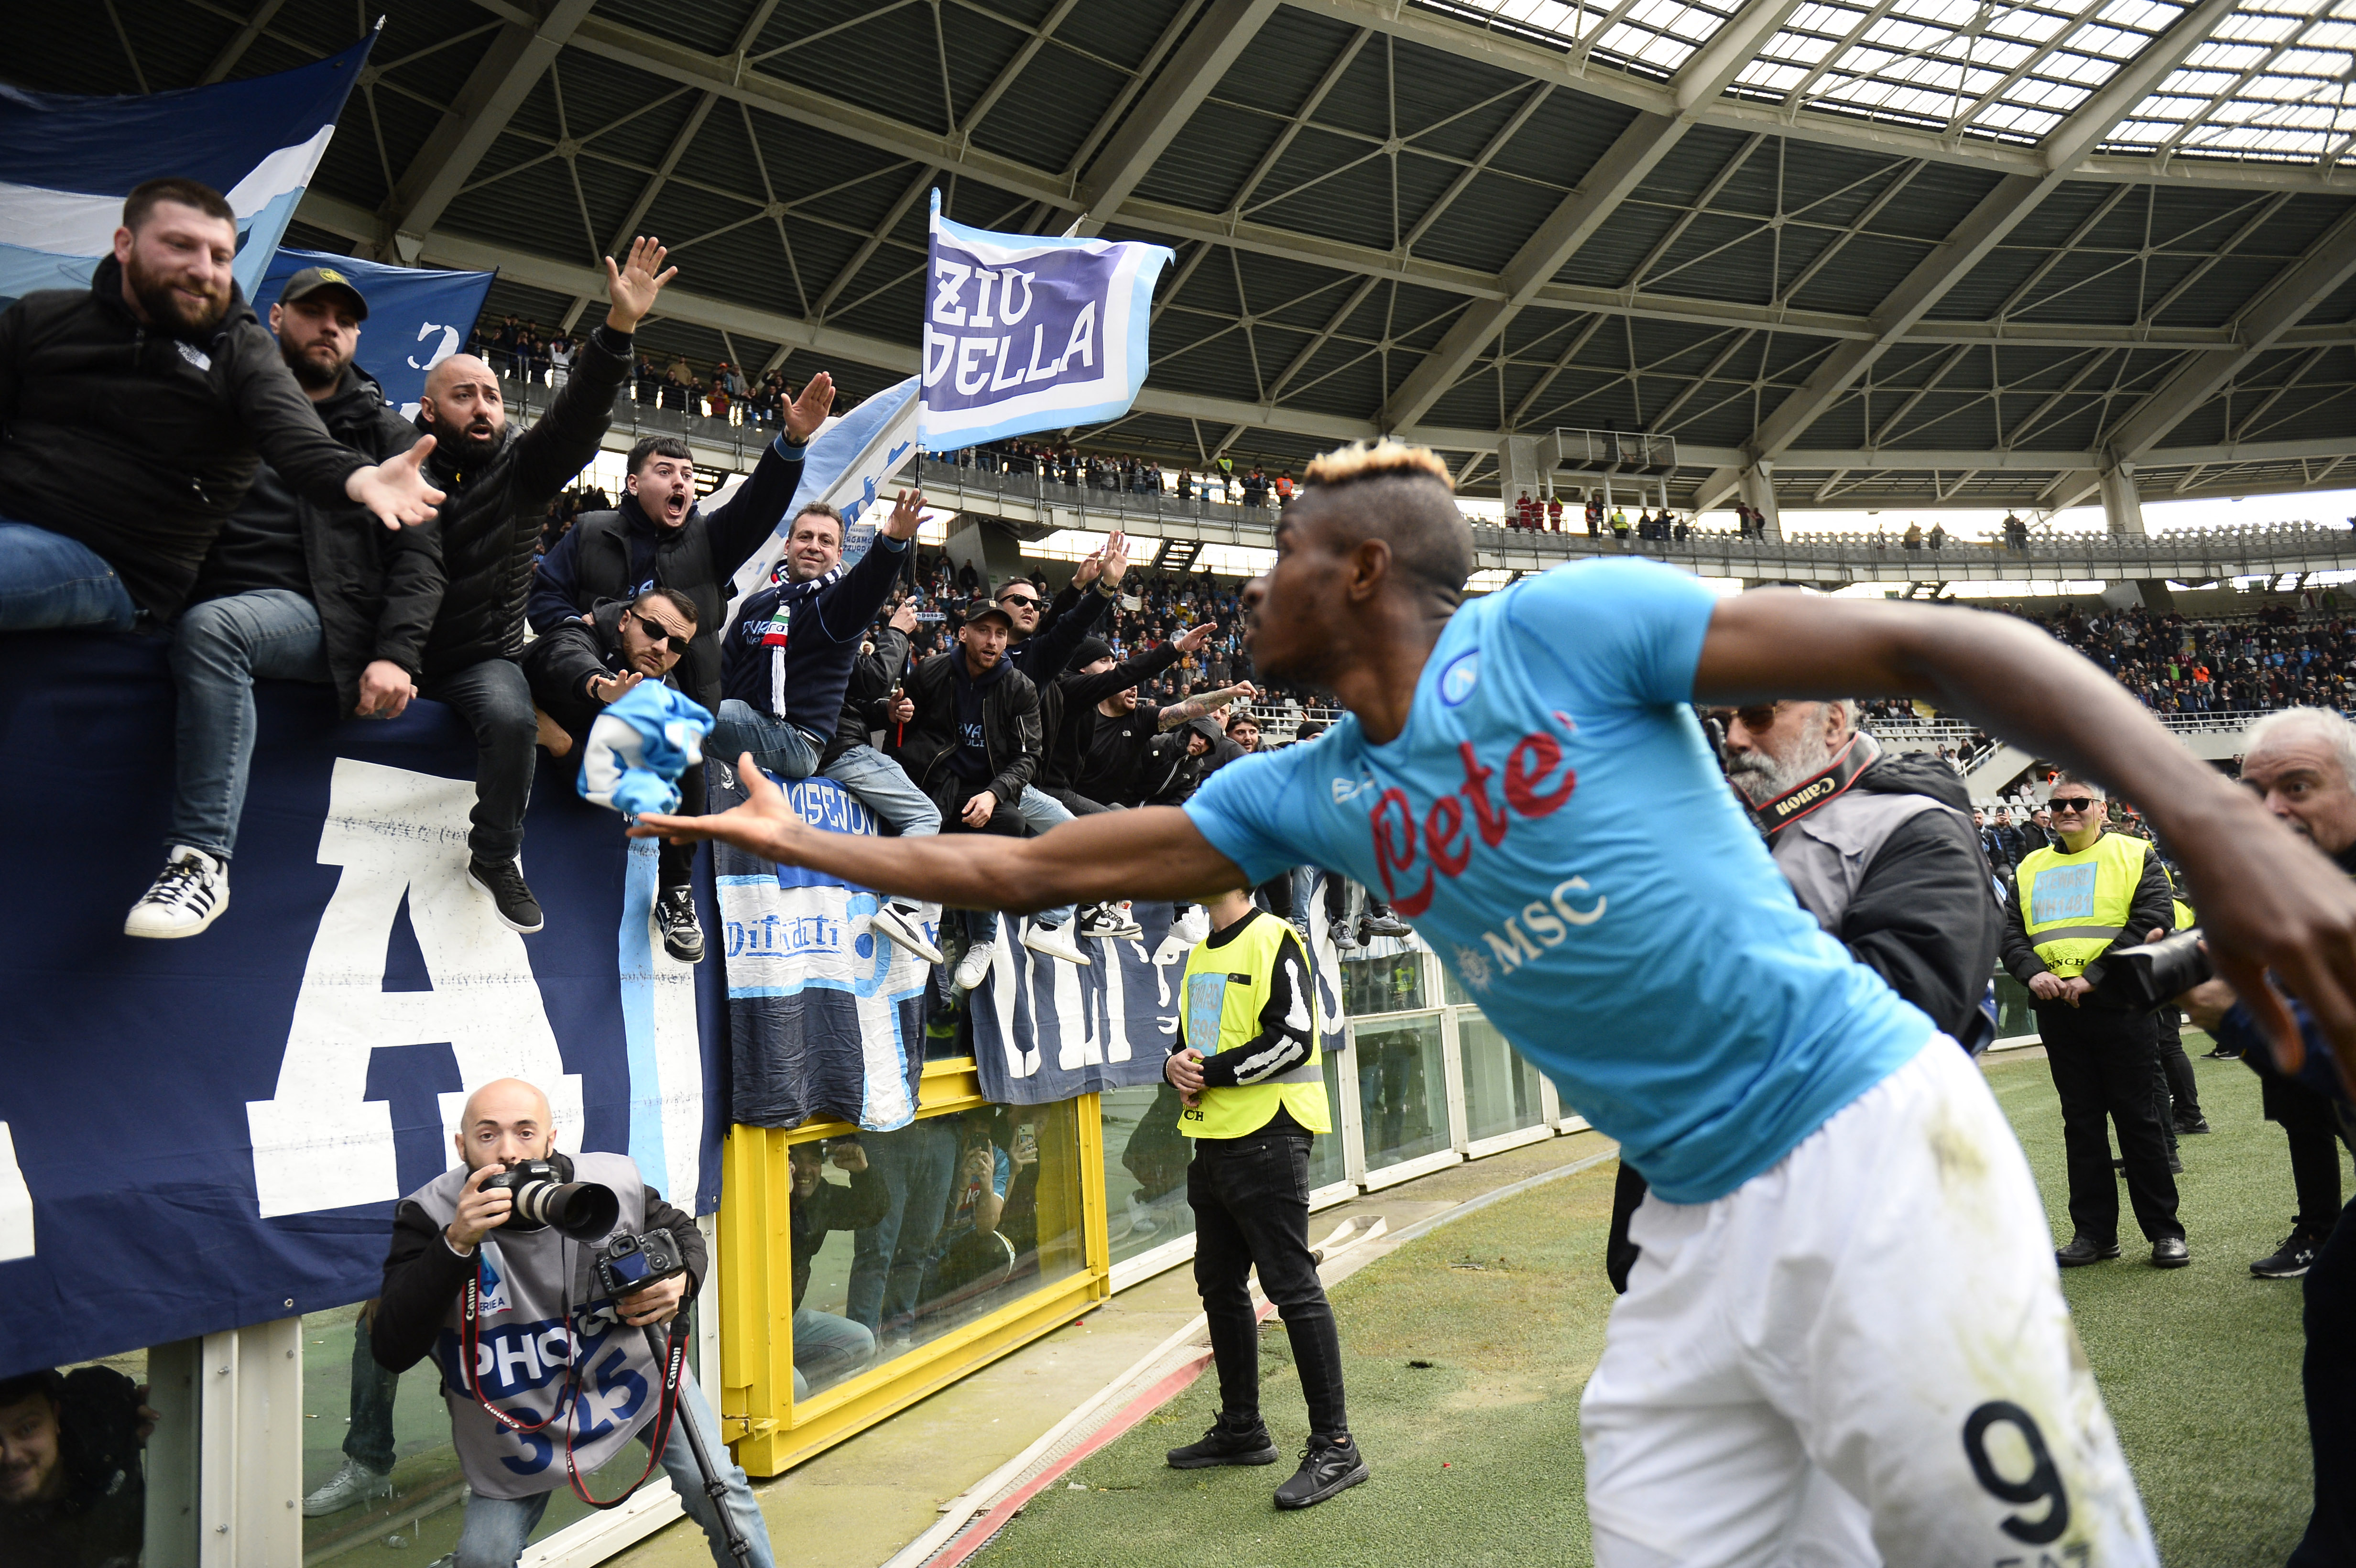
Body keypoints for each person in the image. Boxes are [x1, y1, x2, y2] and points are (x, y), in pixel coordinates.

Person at [642, 435, 2356, 1563]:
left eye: (1279, 557)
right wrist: (805, 842)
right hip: (1690, 1228)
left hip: (1868, 1149)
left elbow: (1930, 648)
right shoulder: (1309, 790)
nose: (1247, 585)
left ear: (1364, 573)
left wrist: (2212, 823)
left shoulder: (1561, 634)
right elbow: (1030, 870)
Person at [1602, 697, 2009, 1289]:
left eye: (1759, 714)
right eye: (1722, 721)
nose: (1734, 738)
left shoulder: (1916, 828)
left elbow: (1904, 1016)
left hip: (1844, 1235)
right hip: (1691, 1235)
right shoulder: (1726, 833)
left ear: (1833, 722)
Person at [124, 264, 441, 938]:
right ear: (275, 318)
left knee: (216, 630)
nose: (332, 327)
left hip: (319, 616)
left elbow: (419, 560)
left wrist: (394, 654)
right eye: (315, 312)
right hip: (189, 595)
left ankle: (203, 863)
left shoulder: (382, 431)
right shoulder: (224, 402)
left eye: (347, 320)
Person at [0, 177, 441, 634]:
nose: (203, 270)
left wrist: (362, 477)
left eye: (220, 257)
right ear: (125, 244)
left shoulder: (242, 352)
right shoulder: (41, 316)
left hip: (118, 564)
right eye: (180, 246)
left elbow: (298, 437)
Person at [369, 1078, 774, 1568]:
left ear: (550, 1139)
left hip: (630, 1376)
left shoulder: (604, 1185)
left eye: (524, 1132)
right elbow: (391, 1347)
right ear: (461, 1146)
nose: (510, 1153)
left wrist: (683, 1279)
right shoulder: (430, 1213)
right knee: (484, 1557)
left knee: (721, 1491)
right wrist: (455, 1241)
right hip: (519, 1409)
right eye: (488, 1135)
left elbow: (680, 1229)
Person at [401, 236, 677, 936]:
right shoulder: (393, 463)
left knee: (513, 716)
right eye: (465, 395)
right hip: (388, 644)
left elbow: (576, 422)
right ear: (429, 412)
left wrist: (617, 332)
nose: (485, 405)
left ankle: (494, 855)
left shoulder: (523, 470)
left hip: (476, 659)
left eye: (493, 394)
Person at [527, 380, 837, 956]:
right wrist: (605, 627)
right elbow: (544, 604)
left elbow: (759, 504)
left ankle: (674, 894)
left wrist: (791, 441)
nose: (681, 483)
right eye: (666, 471)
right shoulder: (592, 531)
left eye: (689, 476)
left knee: (687, 762)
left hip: (674, 705)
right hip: (589, 688)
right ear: (633, 481)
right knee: (584, 777)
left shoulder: (711, 539)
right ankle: (563, 741)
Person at [2179, 709, 2356, 1565]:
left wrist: (2247, 1021)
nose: (2272, 811)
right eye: (2253, 793)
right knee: (2339, 1303)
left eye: (2298, 787)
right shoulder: (2292, 894)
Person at [1162, 881, 1364, 1509]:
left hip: (1270, 1137)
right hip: (1214, 1141)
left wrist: (1211, 1073)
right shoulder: (1199, 953)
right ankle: (1243, 1430)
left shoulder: (1275, 938)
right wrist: (1175, 1066)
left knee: (1292, 1288)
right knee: (1219, 1288)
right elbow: (1190, 1043)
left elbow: (1294, 1039)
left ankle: (1337, 1447)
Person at [712, 493, 935, 960]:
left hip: (801, 742)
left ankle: (905, 907)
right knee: (705, 708)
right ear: (789, 545)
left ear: (839, 553)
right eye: (805, 537)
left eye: (826, 541)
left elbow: (866, 589)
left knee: (692, 712)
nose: (814, 546)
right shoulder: (756, 608)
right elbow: (725, 679)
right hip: (756, 729)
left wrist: (891, 541)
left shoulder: (833, 608)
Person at [2002, 773, 2187, 1266]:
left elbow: (2152, 918)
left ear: (2100, 808)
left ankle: (2165, 1232)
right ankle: (2093, 1234)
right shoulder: (2028, 866)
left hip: (2120, 1007)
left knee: (2138, 1120)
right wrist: (2032, 972)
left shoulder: (2134, 854)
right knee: (2080, 1125)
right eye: (2058, 804)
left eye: (2078, 803)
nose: (2067, 811)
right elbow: (2011, 933)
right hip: (2057, 1011)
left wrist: (2097, 976)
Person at [887, 597, 1047, 989]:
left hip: (985, 788)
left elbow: (1029, 758)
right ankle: (920, 910)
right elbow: (901, 728)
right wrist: (897, 713)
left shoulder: (1019, 687)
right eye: (983, 631)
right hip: (936, 780)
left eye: (1000, 633)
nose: (992, 641)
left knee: (1012, 821)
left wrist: (995, 794)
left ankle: (983, 940)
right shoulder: (934, 671)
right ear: (963, 633)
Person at [0, 1366, 157, 1568]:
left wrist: (159, 1417)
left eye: (27, 1429)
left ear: (56, 1417)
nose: (11, 1457)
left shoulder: (102, 1410)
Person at [787, 1139, 887, 1398]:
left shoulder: (820, 1197)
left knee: (862, 1342)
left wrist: (862, 1173)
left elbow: (872, 1211)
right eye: (795, 1161)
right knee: (792, 1389)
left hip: (788, 1318)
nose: (805, 1170)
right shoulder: (757, 1200)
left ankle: (790, 1376)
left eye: (814, 1161)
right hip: (752, 1331)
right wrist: (782, 1199)